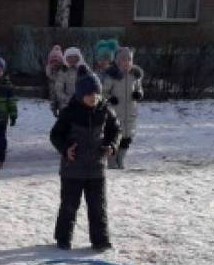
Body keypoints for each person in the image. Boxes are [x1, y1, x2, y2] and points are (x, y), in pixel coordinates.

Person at [50, 67, 121, 251]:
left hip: (97, 169)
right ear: (81, 94)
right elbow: (55, 135)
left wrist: (112, 145)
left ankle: (101, 240)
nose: (93, 97)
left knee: (98, 207)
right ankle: (63, 238)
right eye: (89, 94)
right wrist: (66, 149)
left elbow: (116, 130)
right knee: (69, 205)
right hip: (72, 169)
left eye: (96, 93)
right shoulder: (70, 112)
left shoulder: (105, 110)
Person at [100, 46, 145, 169]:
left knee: (127, 137)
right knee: (114, 136)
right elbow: (103, 92)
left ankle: (121, 159)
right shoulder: (111, 76)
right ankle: (112, 161)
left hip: (130, 112)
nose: (126, 62)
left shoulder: (134, 75)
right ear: (118, 61)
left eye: (129, 60)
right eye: (123, 60)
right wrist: (110, 98)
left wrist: (139, 93)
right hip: (115, 112)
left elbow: (139, 88)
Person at [46, 45, 74, 117]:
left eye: (56, 61)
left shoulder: (67, 73)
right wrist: (53, 108)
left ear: (61, 61)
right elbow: (52, 93)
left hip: (69, 105)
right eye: (52, 61)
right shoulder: (51, 75)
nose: (54, 64)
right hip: (60, 107)